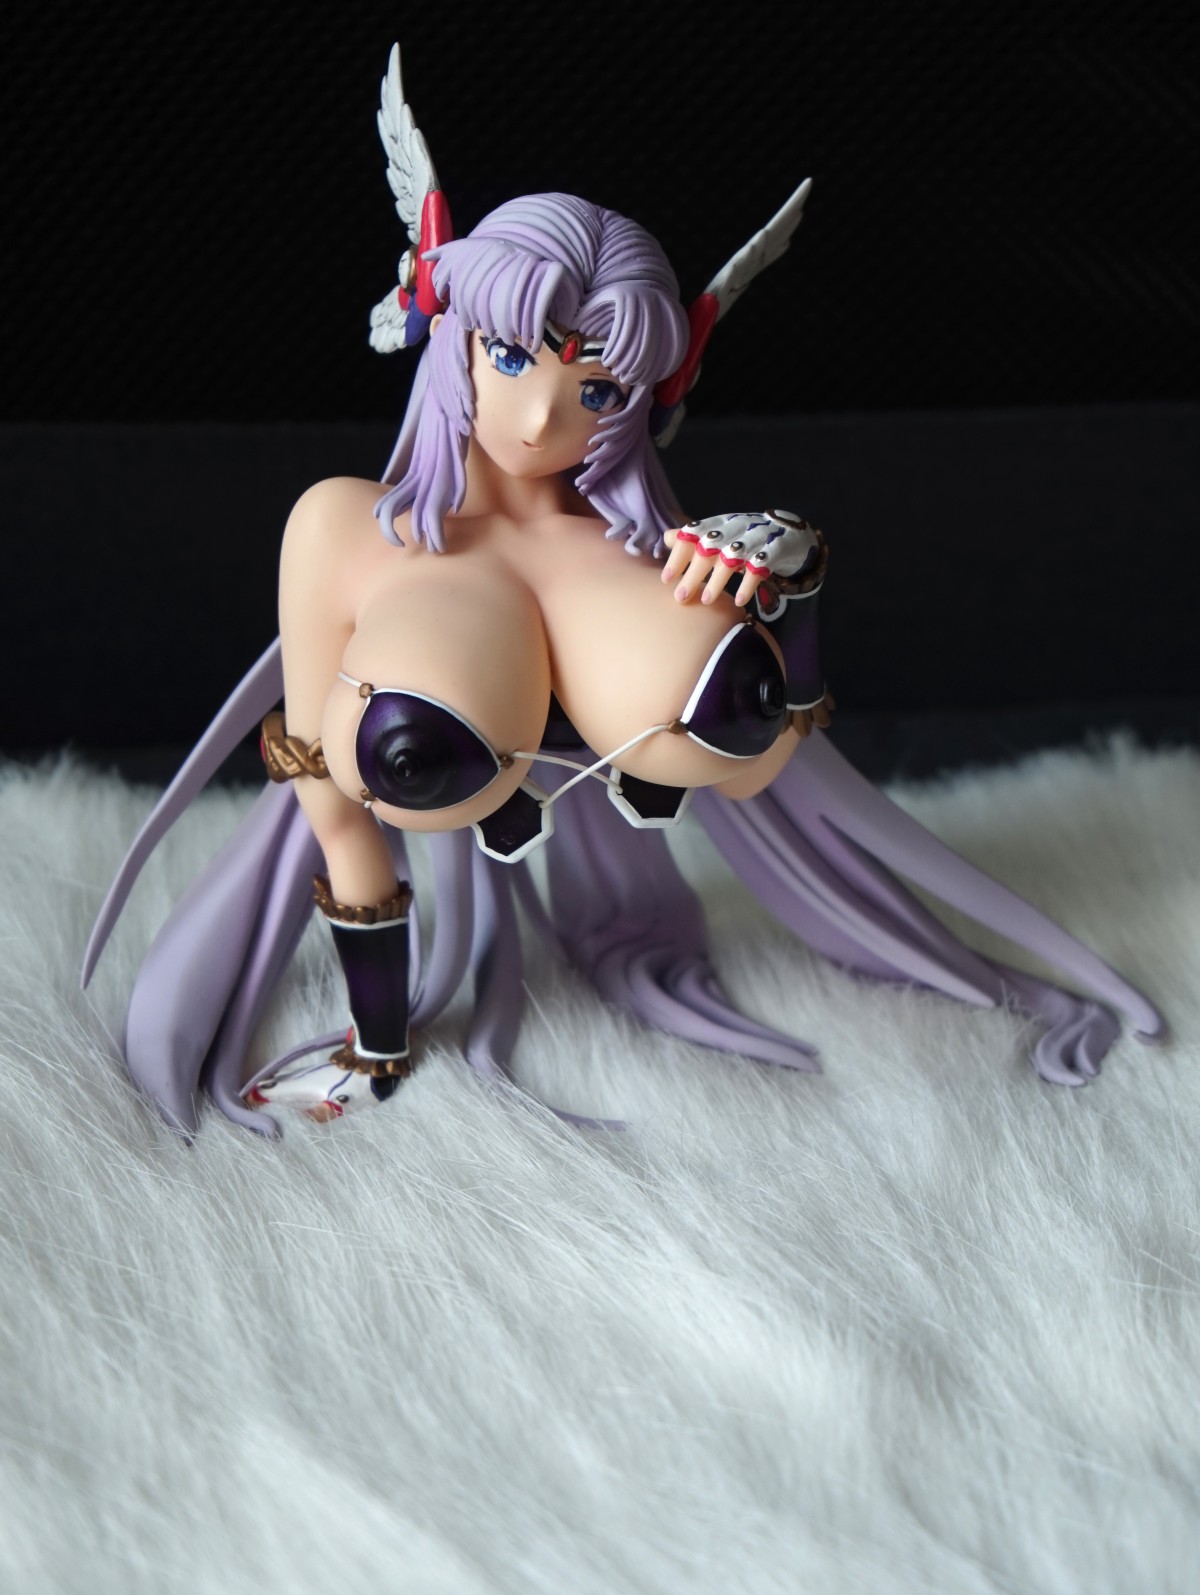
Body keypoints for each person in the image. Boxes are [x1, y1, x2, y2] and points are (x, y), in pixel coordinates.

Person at [82, 49, 1165, 1135]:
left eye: (597, 388)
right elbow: (327, 795)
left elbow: (766, 765)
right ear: (453, 335)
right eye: (513, 357)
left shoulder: (658, 559)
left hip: (748, 1094)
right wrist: (377, 1042)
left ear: (644, 399)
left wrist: (792, 587)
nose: (542, 418)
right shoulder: (343, 527)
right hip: (426, 1001)